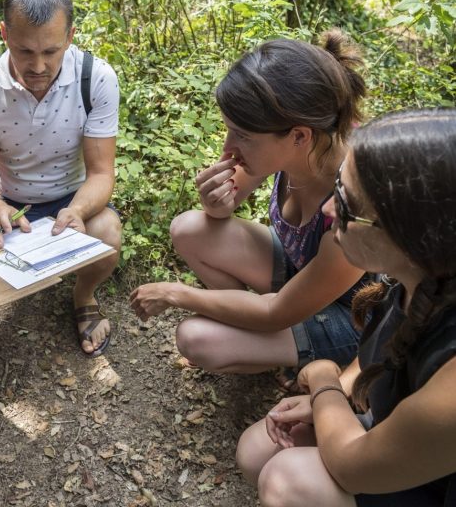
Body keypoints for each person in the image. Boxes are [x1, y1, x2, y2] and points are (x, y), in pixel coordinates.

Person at [235, 109, 456, 506]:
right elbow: (388, 352)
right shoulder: (413, 276)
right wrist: (342, 389)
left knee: (287, 480)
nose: (327, 210)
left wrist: (323, 381)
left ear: (411, 235)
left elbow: (351, 465)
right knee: (257, 450)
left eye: (348, 205)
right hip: (398, 439)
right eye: (337, 187)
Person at [131, 31, 369, 377]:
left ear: (299, 135)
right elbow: (222, 211)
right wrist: (215, 203)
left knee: (196, 339)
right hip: (300, 275)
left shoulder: (354, 202)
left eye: (241, 135)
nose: (229, 148)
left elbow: (277, 314)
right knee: (189, 228)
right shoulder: (296, 140)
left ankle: (312, 362)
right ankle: (256, 335)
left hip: (350, 318)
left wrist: (174, 293)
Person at [0, 0, 122, 356]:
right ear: (3, 34)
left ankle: (83, 296)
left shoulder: (96, 78)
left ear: (70, 36)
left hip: (72, 196)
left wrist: (78, 211)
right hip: (12, 203)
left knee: (108, 232)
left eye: (51, 51)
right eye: (24, 51)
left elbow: (100, 174)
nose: (38, 65)